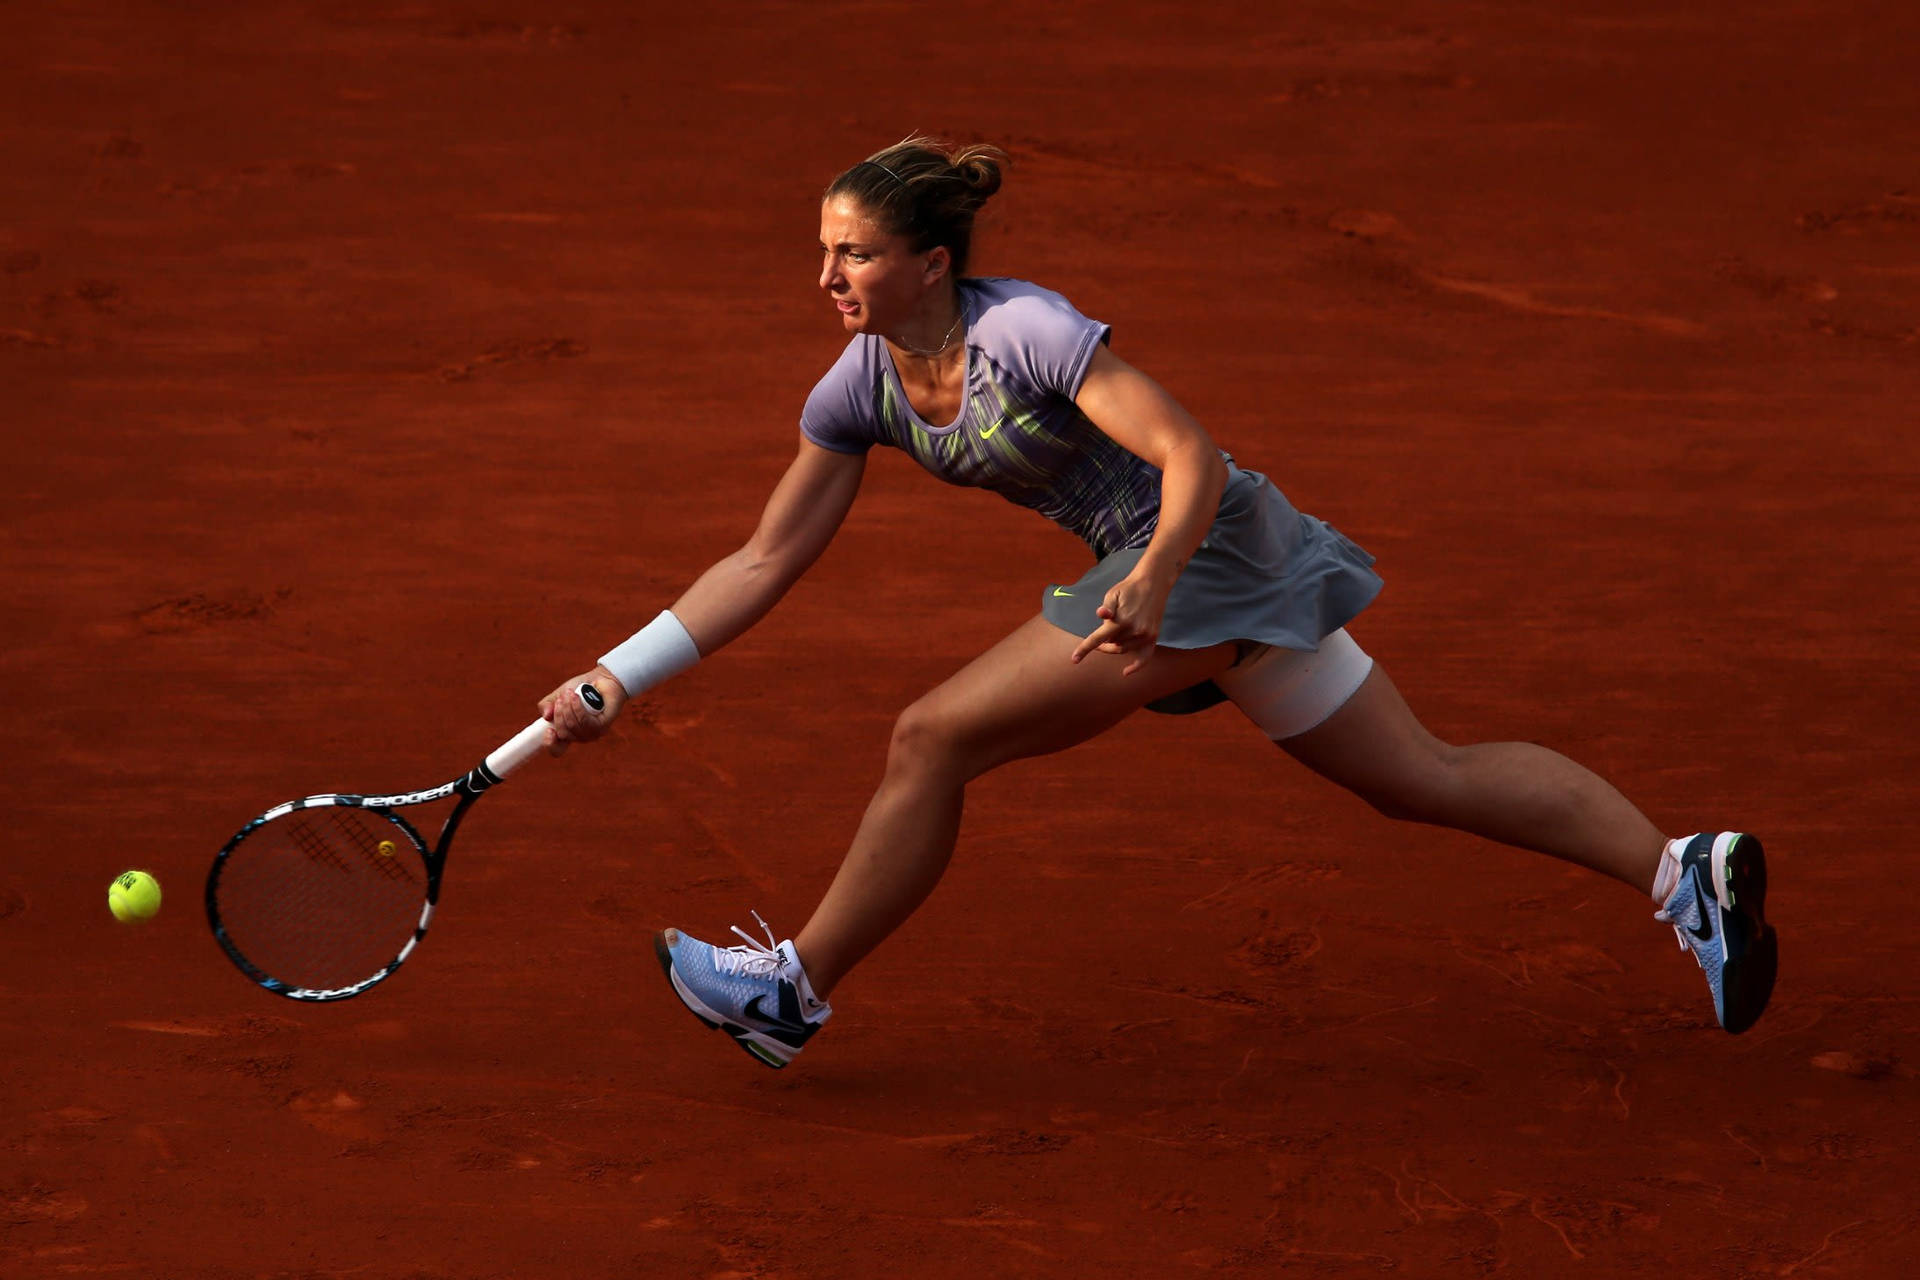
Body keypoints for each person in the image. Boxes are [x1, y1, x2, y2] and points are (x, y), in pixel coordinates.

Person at [537, 136, 1776, 1069]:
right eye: (822, 249)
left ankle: (792, 990)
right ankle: (1684, 874)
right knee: (1419, 775)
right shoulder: (860, 385)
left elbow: (1193, 452)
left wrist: (1156, 575)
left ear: (930, 261)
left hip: (1203, 549)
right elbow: (764, 557)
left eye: (851, 252)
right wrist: (615, 676)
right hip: (1177, 571)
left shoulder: (1025, 331)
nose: (827, 275)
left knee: (932, 734)